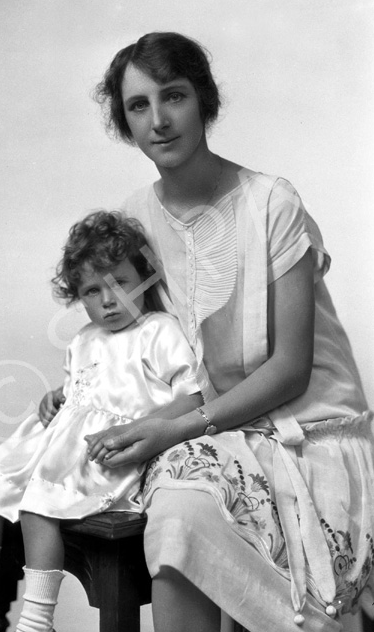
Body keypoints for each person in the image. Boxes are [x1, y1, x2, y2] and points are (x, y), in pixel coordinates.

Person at [42, 32, 374, 632]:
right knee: (178, 510)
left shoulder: (271, 202)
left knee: (190, 487)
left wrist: (173, 430)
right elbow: (131, 345)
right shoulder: (136, 220)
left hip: (310, 435)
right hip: (212, 436)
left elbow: (291, 367)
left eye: (174, 97)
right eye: (138, 106)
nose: (159, 120)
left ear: (205, 102)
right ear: (125, 121)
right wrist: (80, 397)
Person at [0, 209, 202, 632]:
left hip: (107, 453)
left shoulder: (158, 330)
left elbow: (193, 396)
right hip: (61, 447)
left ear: (145, 278)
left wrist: (138, 430)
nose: (109, 300)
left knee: (37, 507)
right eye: (93, 291)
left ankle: (37, 623)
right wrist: (57, 397)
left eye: (120, 283)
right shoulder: (84, 339)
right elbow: (83, 389)